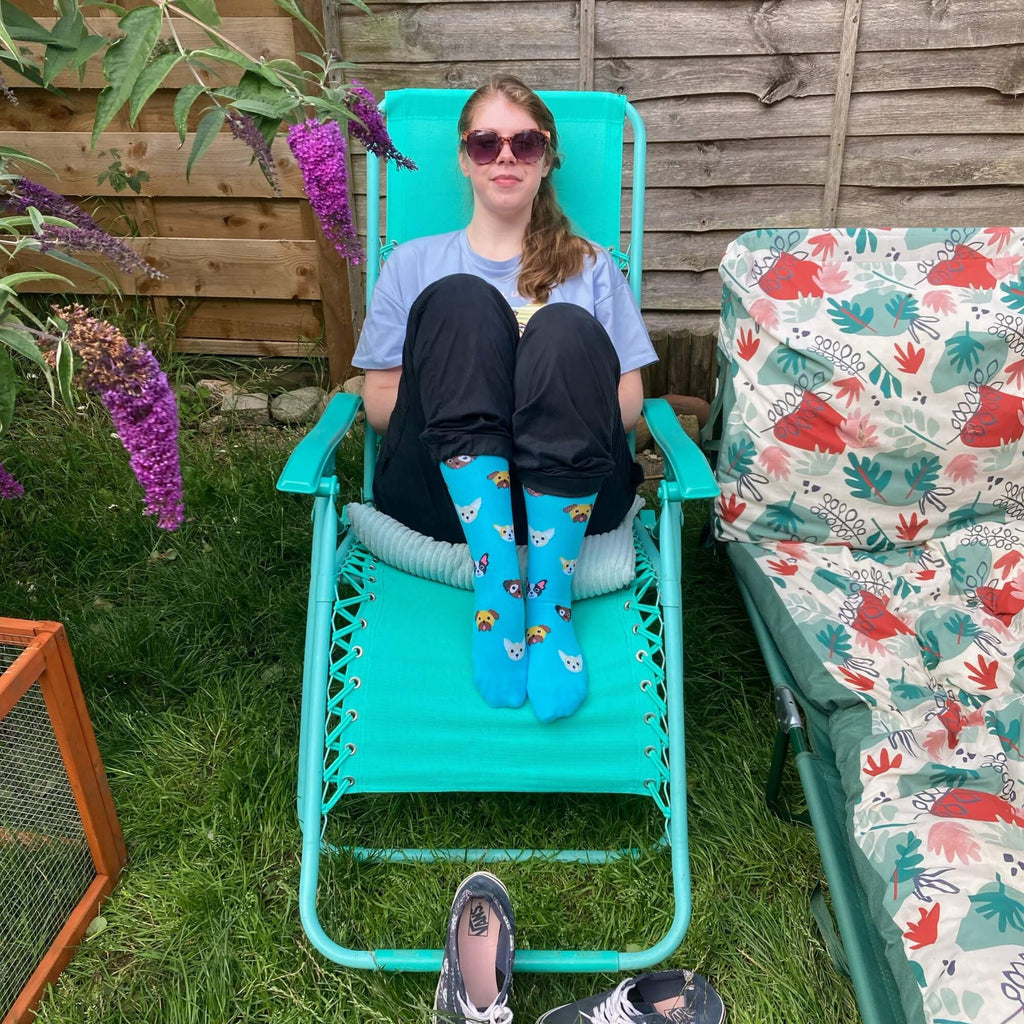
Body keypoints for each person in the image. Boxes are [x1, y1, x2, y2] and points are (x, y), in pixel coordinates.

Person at [351, 74, 657, 723]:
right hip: (442, 492)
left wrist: (545, 409)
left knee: (565, 328)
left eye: (525, 142)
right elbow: (379, 399)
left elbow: (628, 398)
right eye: (487, 143)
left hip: (572, 495)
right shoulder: (413, 264)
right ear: (465, 158)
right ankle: (500, 583)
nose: (507, 157)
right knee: (462, 301)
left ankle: (547, 602)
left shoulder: (589, 265)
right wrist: (471, 400)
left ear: (547, 158)